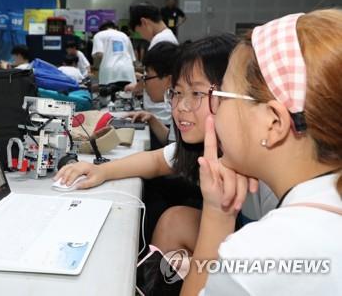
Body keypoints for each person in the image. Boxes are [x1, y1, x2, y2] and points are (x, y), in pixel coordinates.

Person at [181, 10, 342, 295]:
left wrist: (218, 214)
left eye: (220, 97)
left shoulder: (258, 254)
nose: (213, 109)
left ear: (273, 123)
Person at [55, 34, 239, 252]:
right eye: (178, 93)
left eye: (196, 93)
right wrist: (101, 170)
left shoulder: (254, 163)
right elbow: (155, 160)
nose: (181, 106)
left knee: (173, 221)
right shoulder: (205, 146)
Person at [127, 2, 179, 140]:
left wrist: (137, 86)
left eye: (139, 31)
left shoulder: (161, 41)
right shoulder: (165, 37)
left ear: (144, 22)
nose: (142, 36)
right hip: (160, 116)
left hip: (161, 113)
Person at [126, 41, 179, 145]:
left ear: (169, 80)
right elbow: (172, 143)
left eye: (147, 77)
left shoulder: (182, 109)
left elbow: (173, 154)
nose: (144, 84)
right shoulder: (175, 102)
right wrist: (151, 119)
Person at [92, 21, 136, 103]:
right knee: (127, 99)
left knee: (107, 101)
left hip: (109, 70)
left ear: (101, 29)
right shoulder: (124, 36)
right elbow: (132, 58)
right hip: (127, 70)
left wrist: (96, 68)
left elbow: (99, 54)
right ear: (115, 27)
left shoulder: (99, 35)